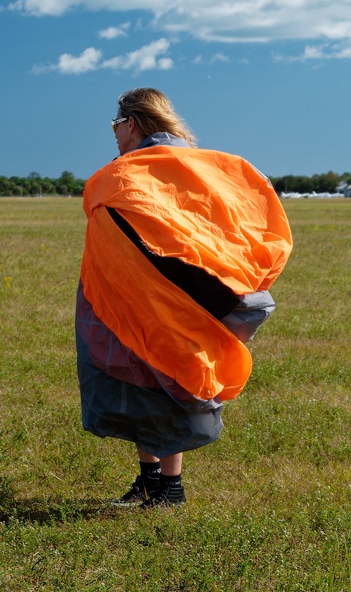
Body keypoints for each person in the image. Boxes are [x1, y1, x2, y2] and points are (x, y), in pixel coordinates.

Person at [76, 88, 292, 508]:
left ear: (133, 123)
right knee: (170, 377)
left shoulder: (121, 177)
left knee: (148, 378)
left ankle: (165, 487)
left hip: (138, 297)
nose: (115, 134)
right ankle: (154, 483)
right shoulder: (211, 168)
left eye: (116, 124)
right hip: (188, 295)